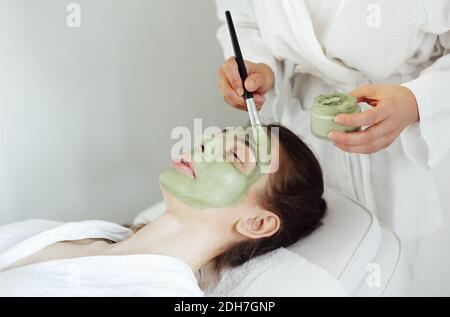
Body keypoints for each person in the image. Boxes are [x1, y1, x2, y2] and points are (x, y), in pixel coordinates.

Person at [215, 0, 450, 293]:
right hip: (310, 125)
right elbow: (242, 20)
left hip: (419, 133)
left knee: (417, 274)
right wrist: (258, 66)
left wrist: (418, 101)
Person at [0, 125, 329, 296]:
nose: (204, 144)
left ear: (256, 222)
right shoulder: (86, 235)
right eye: (218, 137)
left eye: (235, 156)